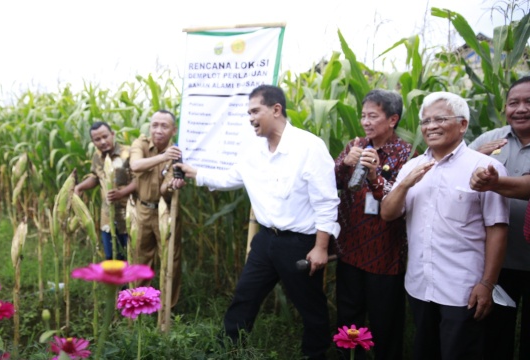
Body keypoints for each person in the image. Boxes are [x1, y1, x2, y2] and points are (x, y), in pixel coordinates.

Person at [174, 85, 340, 360]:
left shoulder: (309, 147)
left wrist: (321, 247)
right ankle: (226, 349)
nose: (250, 118)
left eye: (255, 111)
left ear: (276, 110)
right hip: (265, 241)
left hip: (299, 243)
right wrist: (194, 173)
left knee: (310, 306)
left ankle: (316, 354)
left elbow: (326, 202)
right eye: (248, 113)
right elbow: (230, 178)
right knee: (245, 296)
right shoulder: (254, 151)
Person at [381, 91, 509, 360]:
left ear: (462, 125)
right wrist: (404, 184)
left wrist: (487, 283)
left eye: (440, 119)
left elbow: (497, 229)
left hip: (462, 290)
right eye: (425, 121)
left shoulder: (485, 167)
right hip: (419, 284)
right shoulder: (413, 167)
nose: (431, 126)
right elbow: (388, 213)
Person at [334, 89, 411, 360]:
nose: (366, 122)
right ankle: (351, 356)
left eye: (373, 116)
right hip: (350, 247)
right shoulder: (355, 144)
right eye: (363, 115)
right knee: (349, 316)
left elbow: (398, 201)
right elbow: (332, 183)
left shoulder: (405, 154)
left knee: (385, 322)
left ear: (392, 119)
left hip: (384, 254)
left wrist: (374, 173)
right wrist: (345, 163)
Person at [468, 76, 530, 359]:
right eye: (513, 102)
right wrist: (470, 161)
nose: (520, 108)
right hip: (496, 263)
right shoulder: (489, 141)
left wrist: (491, 181)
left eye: (528, 102)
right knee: (494, 339)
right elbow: (456, 183)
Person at [129, 109, 183, 306]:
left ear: (174, 130)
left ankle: (168, 307)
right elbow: (135, 165)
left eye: (164, 126)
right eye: (155, 125)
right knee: (140, 258)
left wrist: (172, 184)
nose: (158, 130)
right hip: (142, 211)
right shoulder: (140, 144)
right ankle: (139, 305)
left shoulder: (177, 153)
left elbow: (163, 190)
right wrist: (163, 157)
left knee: (170, 261)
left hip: (166, 212)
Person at [74, 121, 136, 260]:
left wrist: (122, 193)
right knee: (111, 256)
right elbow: (96, 178)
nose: (102, 141)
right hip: (107, 216)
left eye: (105, 136)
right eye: (97, 139)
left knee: (130, 256)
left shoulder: (129, 153)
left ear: (112, 134)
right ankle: (116, 282)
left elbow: (139, 180)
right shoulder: (97, 157)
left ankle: (131, 282)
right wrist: (80, 187)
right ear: (93, 142)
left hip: (128, 216)